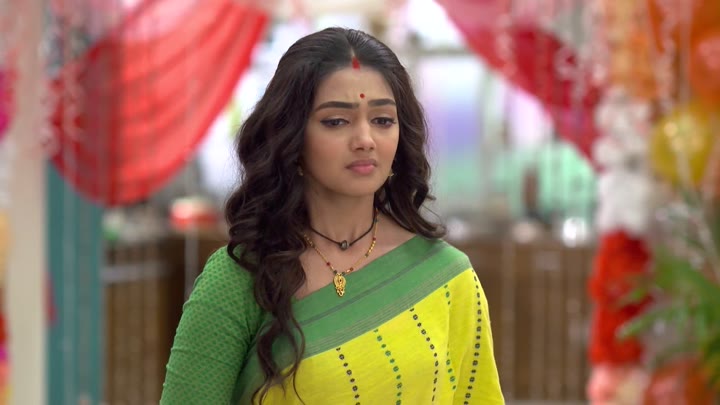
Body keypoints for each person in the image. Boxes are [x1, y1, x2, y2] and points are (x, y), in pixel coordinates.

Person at [161, 27, 503, 404]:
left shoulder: (446, 277)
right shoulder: (240, 279)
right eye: (336, 121)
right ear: (291, 135)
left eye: (382, 120)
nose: (365, 139)